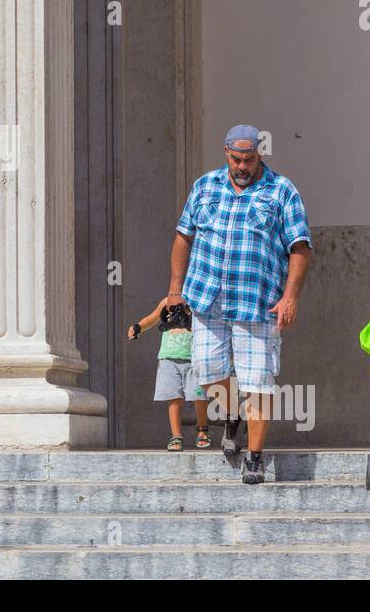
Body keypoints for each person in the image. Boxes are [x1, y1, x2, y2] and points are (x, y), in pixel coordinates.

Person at [165, 125, 313, 484]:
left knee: (259, 382)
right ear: (225, 153)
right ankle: (233, 414)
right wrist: (175, 289)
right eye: (236, 159)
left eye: (248, 160)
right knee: (207, 372)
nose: (242, 166)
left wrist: (290, 296)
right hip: (207, 299)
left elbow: (301, 247)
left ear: (260, 154)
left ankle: (255, 457)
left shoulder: (281, 190)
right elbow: (183, 238)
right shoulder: (204, 187)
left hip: (258, 303)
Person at [128, 298, 210, 451]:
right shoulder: (168, 301)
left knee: (199, 396)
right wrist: (138, 327)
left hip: (193, 358)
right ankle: (176, 436)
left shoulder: (198, 300)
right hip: (168, 357)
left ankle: (202, 429)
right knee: (174, 398)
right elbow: (153, 318)